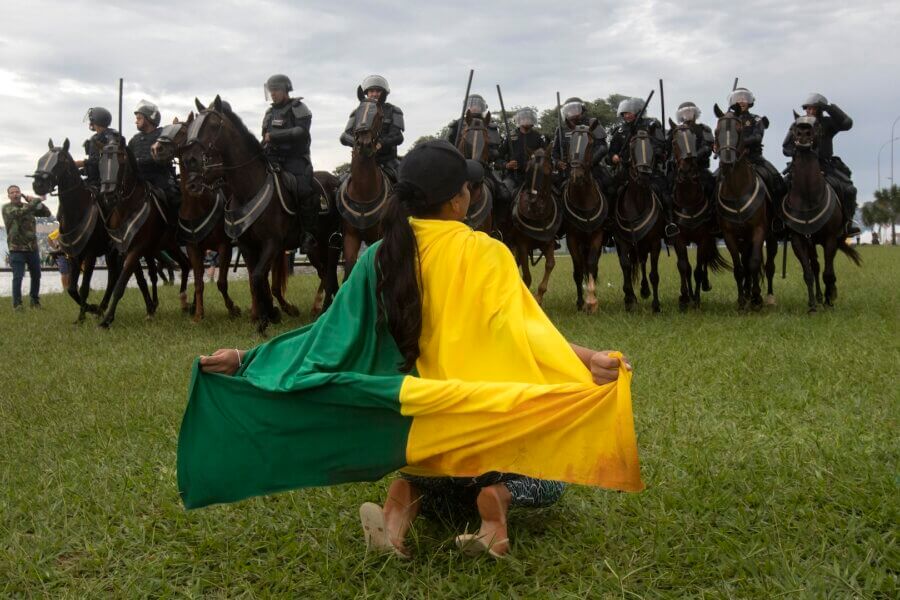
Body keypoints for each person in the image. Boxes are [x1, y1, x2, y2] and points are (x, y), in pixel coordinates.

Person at [179, 140, 643, 560]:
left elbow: (324, 338)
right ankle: (494, 513)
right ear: (459, 199)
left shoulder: (377, 256)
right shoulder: (487, 253)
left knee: (417, 470)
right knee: (544, 477)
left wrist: (247, 359)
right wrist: (591, 362)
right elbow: (531, 337)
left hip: (415, 424)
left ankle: (397, 518)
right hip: (482, 422)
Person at [782, 93, 859, 236]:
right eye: (808, 109)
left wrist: (830, 108)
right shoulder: (797, 123)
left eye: (814, 108)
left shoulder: (828, 123)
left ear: (820, 110)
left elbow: (847, 123)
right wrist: (797, 150)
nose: (810, 111)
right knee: (781, 186)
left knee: (849, 189)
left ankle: (847, 222)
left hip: (825, 166)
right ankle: (780, 220)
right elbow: (785, 147)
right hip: (801, 167)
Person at [261, 74, 317, 253]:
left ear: (285, 90)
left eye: (276, 90)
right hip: (272, 158)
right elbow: (265, 137)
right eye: (271, 91)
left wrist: (275, 136)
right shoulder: (269, 113)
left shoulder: (298, 107)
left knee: (303, 190)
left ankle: (308, 234)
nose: (273, 94)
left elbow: (301, 132)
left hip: (295, 160)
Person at [608, 97, 678, 237]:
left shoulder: (651, 125)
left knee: (664, 191)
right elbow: (611, 152)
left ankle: (670, 223)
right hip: (627, 170)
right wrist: (613, 157)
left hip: (649, 169)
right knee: (611, 190)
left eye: (629, 113)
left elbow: (661, 145)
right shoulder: (620, 131)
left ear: (637, 111)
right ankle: (609, 224)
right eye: (624, 113)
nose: (626, 116)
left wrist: (655, 152)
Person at [722, 88, 787, 211]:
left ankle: (778, 214)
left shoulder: (756, 119)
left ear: (749, 101)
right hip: (732, 160)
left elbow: (757, 137)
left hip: (754, 159)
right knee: (714, 181)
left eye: (744, 98)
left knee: (776, 180)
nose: (741, 101)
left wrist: (738, 142)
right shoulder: (727, 120)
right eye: (738, 99)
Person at [444, 94, 509, 210]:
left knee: (504, 194)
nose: (474, 107)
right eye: (472, 105)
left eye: (477, 105)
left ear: (482, 108)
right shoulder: (457, 125)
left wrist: (490, 152)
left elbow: (495, 151)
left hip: (483, 167)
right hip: (459, 166)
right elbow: (447, 145)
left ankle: (498, 224)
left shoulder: (490, 125)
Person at [339, 75, 405, 181]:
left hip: (387, 161)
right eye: (372, 91)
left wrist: (380, 143)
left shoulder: (393, 110)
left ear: (384, 93)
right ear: (366, 93)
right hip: (361, 160)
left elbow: (398, 136)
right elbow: (345, 136)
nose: (375, 94)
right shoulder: (358, 111)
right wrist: (360, 144)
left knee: (405, 184)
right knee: (338, 185)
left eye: (378, 91)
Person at [2, 185, 51, 309]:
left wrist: (36, 203)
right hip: (16, 249)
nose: (15, 194)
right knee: (18, 276)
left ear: (20, 193)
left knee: (36, 275)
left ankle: (35, 302)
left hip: (32, 248)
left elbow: (46, 214)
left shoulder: (28, 206)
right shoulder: (7, 208)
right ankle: (17, 304)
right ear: (9, 196)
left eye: (17, 192)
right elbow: (19, 213)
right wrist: (37, 200)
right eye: (12, 192)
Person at [127, 100, 180, 210]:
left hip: (159, 176)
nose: (136, 121)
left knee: (174, 199)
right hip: (139, 177)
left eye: (139, 118)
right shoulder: (134, 140)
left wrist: (175, 128)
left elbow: (173, 141)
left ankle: (177, 225)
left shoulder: (163, 134)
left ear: (149, 118)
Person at [551, 97, 610, 188]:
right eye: (570, 109)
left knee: (609, 185)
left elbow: (602, 147)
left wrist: (588, 163)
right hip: (568, 169)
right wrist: (557, 162)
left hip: (591, 167)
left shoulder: (592, 123)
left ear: (582, 110)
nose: (572, 111)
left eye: (575, 108)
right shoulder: (561, 130)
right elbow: (554, 153)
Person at [75, 107, 123, 192]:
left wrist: (83, 163)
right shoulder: (94, 138)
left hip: (106, 182)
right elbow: (93, 165)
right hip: (92, 180)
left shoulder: (111, 136)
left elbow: (110, 159)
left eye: (91, 120)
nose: (90, 123)